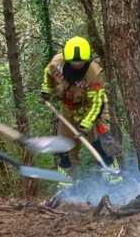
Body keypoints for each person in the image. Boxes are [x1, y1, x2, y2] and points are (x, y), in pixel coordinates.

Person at [41, 37, 123, 185]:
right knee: (65, 150)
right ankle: (68, 186)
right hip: (68, 112)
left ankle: (114, 181)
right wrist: (46, 91)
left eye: (80, 62)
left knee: (101, 147)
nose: (77, 65)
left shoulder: (94, 74)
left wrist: (85, 127)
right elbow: (48, 74)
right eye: (73, 62)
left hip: (93, 114)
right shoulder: (56, 64)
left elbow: (96, 104)